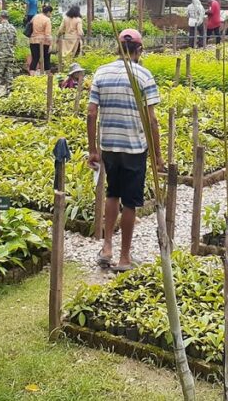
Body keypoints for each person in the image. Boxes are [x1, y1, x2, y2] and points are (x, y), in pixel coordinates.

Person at [87, 29, 161, 272]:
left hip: (109, 145)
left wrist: (93, 150)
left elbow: (91, 113)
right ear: (139, 50)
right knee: (130, 202)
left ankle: (107, 247)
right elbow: (152, 121)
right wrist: (158, 156)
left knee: (112, 194)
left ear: (118, 48)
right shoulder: (143, 75)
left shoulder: (101, 72)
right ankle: (124, 257)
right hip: (133, 147)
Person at [0, 11, 18, 95]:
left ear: (0, 17)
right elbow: (15, 42)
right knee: (9, 74)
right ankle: (9, 92)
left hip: (0, 55)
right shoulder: (13, 28)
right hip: (10, 55)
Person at [29, 4, 54, 75]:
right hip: (44, 42)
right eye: (51, 13)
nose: (51, 14)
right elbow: (47, 34)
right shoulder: (47, 20)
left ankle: (31, 77)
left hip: (33, 41)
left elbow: (30, 25)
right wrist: (51, 45)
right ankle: (48, 77)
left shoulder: (35, 16)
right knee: (47, 59)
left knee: (35, 59)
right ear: (48, 12)